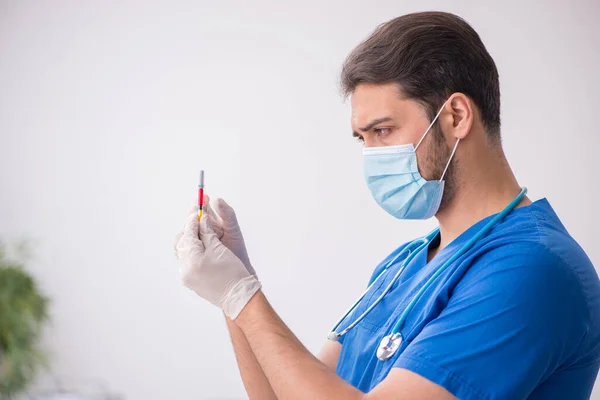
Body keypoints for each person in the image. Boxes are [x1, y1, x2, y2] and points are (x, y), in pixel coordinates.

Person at [174, 11, 600, 400]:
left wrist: (241, 297)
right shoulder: (404, 264)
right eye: (363, 138)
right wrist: (235, 288)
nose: (372, 155)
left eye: (383, 130)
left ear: (455, 117)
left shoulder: (532, 270)